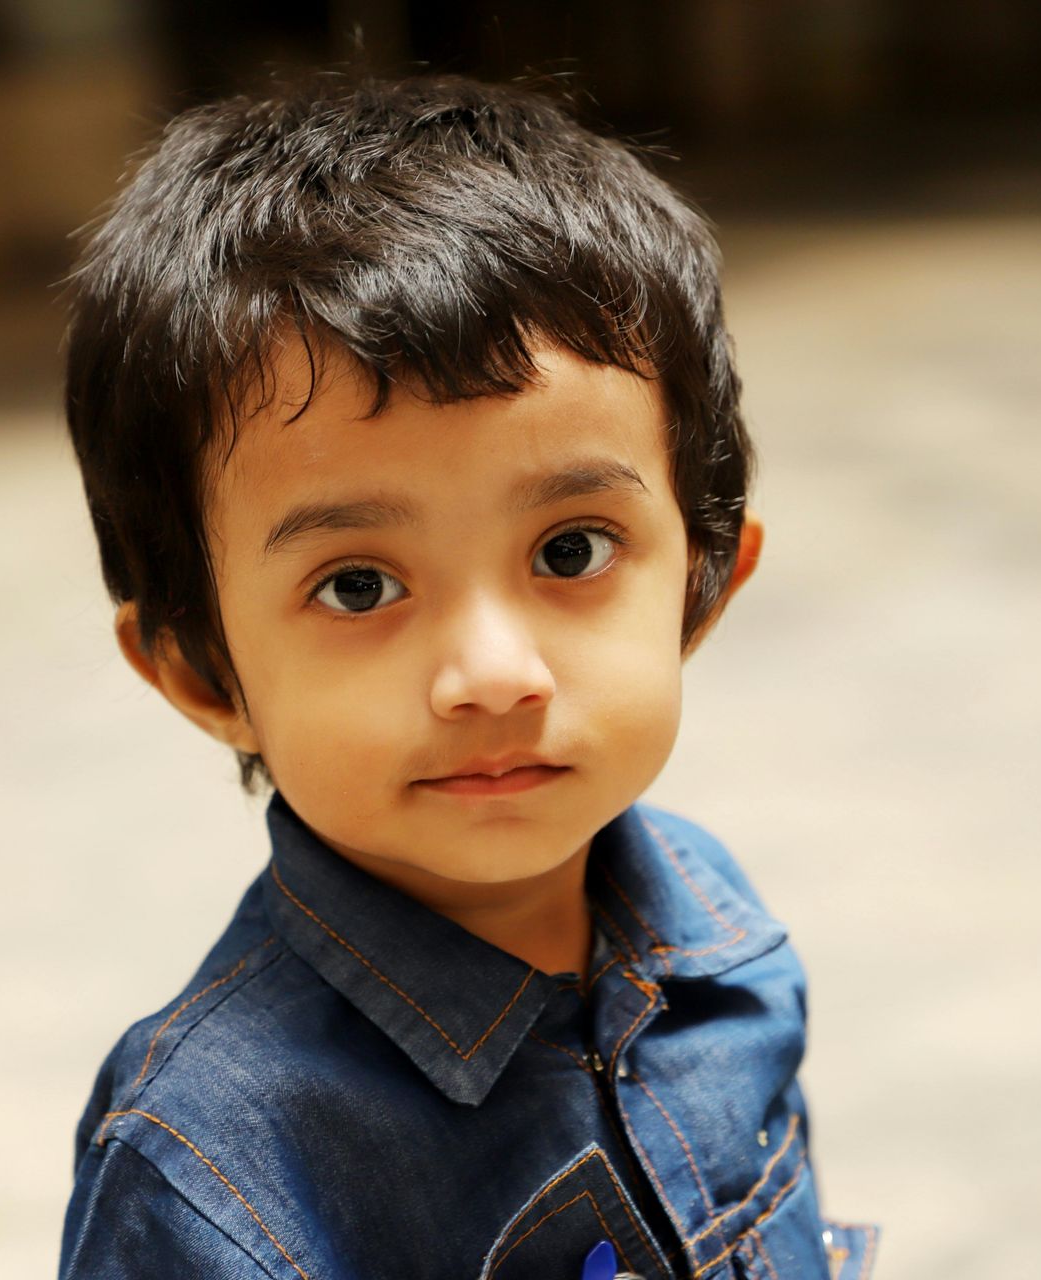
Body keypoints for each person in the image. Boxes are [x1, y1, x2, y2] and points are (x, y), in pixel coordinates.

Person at [56, 73, 878, 1280]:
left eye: (571, 551)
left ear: (703, 584)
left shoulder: (720, 932)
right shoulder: (216, 1162)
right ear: (199, 670)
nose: (492, 674)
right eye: (357, 584)